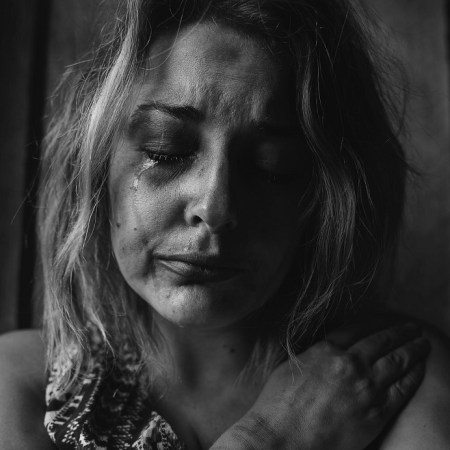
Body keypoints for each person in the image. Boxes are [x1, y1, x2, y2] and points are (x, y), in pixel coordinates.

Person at [0, 0, 449, 448]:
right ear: (98, 164)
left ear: (326, 196)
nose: (214, 208)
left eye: (272, 166)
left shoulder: (395, 375)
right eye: (165, 151)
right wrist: (268, 438)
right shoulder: (21, 386)